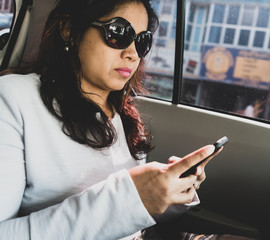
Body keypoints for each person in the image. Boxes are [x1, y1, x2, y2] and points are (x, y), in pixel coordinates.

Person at [0, 0, 222, 239]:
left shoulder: (123, 113)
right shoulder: (13, 99)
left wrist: (169, 191)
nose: (132, 54)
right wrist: (132, 199)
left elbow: (132, 219)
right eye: (118, 33)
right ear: (69, 30)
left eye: (142, 41)